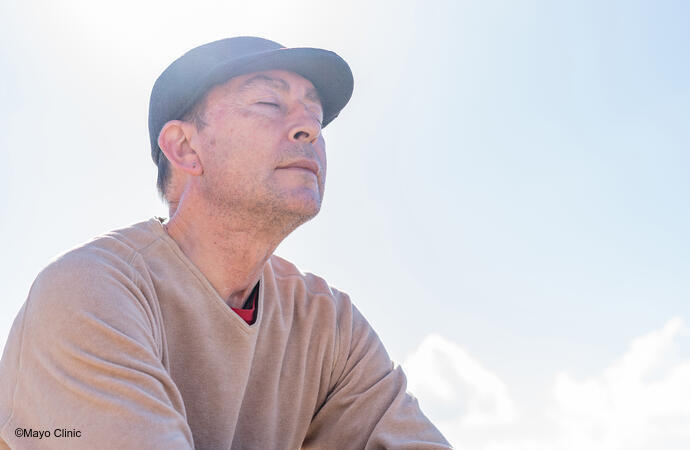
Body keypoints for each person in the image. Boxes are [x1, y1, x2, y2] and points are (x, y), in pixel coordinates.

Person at [0, 36, 450, 449]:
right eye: (269, 102)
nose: (309, 130)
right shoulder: (90, 291)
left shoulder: (330, 325)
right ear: (184, 148)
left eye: (314, 115)